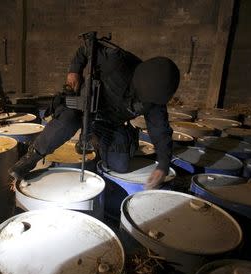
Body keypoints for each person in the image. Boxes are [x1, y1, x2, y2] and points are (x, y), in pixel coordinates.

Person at [9, 39, 180, 189]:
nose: (147, 102)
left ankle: (94, 139)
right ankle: (30, 159)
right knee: (67, 122)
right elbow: (86, 48)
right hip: (82, 108)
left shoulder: (156, 98)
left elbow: (160, 131)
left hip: (109, 122)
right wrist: (74, 70)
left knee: (120, 165)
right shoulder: (116, 62)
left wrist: (163, 165)